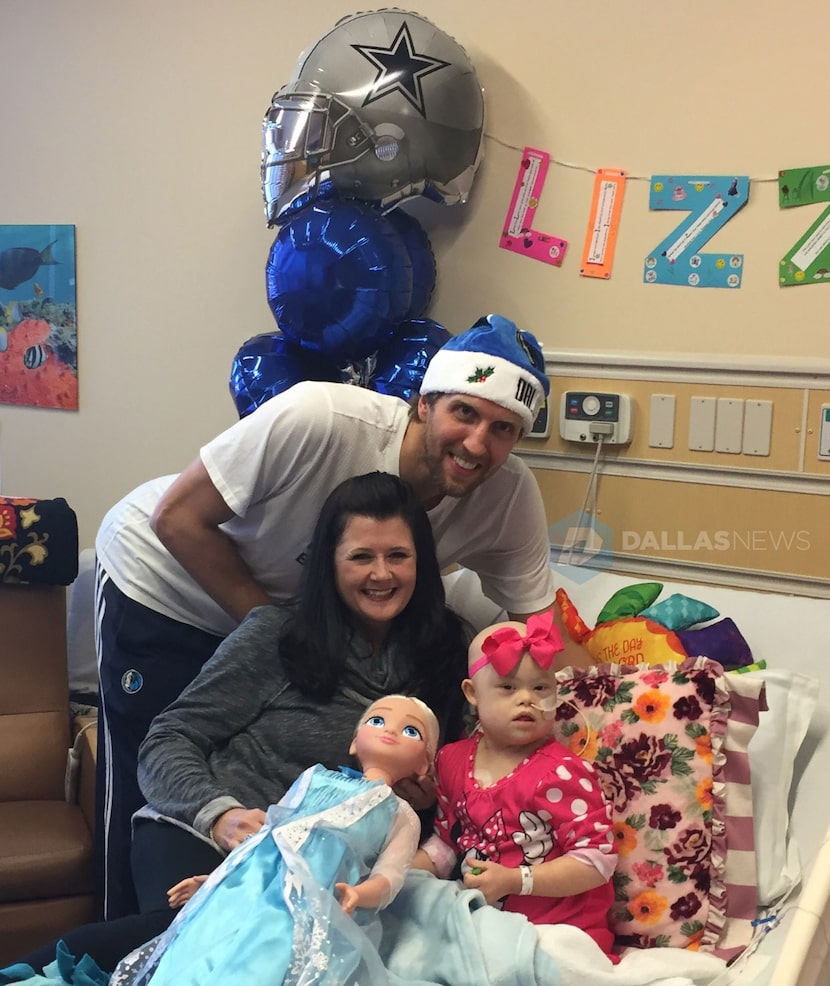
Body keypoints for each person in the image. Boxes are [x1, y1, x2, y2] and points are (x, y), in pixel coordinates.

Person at [95, 312, 589, 917]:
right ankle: (120, 940)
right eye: (464, 412)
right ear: (423, 402)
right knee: (160, 779)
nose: (479, 443)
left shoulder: (505, 500)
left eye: (503, 428)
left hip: (294, 635)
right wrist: (291, 636)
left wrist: (632, 701)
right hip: (167, 578)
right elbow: (177, 517)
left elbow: (543, 632)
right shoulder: (320, 420)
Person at [8, 473, 468, 977]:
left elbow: (465, 784)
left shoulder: (446, 655)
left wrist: (427, 801)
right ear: (329, 563)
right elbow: (168, 739)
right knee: (204, 934)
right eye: (361, 556)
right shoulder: (279, 636)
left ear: (421, 562)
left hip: (323, 868)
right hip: (205, 832)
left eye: (398, 556)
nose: (381, 574)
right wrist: (219, 814)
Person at [108, 696, 439, 986]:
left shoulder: (401, 814)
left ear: (424, 763)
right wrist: (214, 882)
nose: (390, 731)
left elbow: (391, 876)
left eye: (411, 731)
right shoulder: (313, 778)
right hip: (254, 886)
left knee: (265, 964)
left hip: (315, 907)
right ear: (354, 741)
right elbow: (269, 838)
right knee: (199, 952)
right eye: (377, 720)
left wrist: (359, 894)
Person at [412, 613, 619, 961]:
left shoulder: (564, 773)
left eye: (540, 687)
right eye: (508, 687)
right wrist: (404, 875)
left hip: (559, 935)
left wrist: (517, 880)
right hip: (481, 925)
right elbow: (448, 840)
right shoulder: (451, 760)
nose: (526, 699)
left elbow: (596, 862)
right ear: (472, 693)